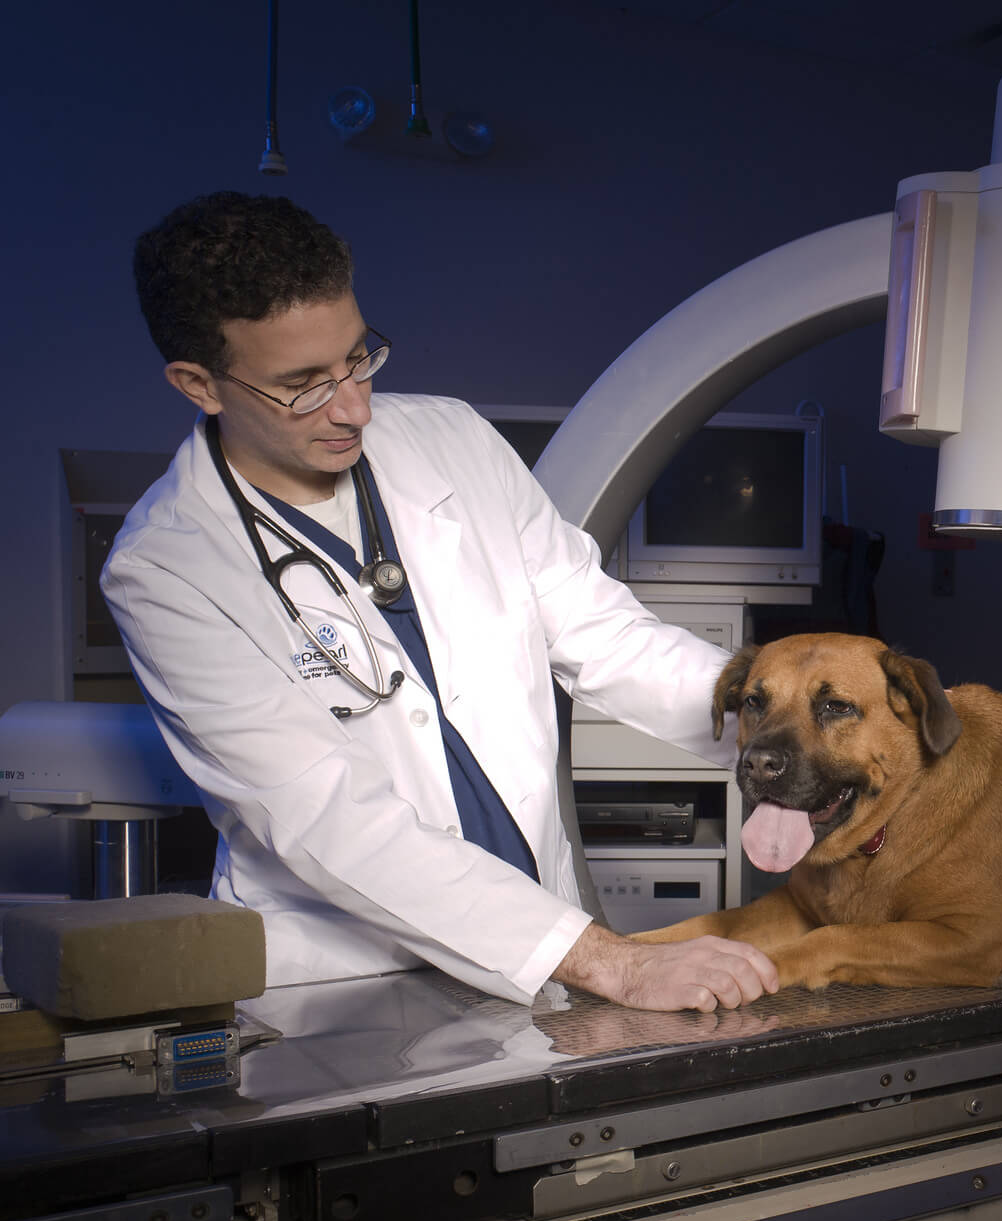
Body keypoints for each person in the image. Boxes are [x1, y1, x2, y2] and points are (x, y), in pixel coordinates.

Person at [104, 191, 777, 1013]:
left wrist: (789, 730)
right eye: (303, 386)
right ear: (199, 384)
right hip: (350, 986)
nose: (353, 406)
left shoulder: (451, 441)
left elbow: (608, 636)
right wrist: (616, 962)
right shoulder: (166, 569)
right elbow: (328, 820)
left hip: (544, 955)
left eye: (357, 359)